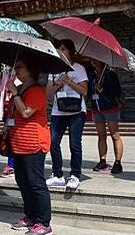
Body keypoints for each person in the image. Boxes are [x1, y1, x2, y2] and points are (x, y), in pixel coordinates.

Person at [6, 56, 53, 235]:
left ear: (30, 70)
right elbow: (14, 112)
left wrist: (15, 93)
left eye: (20, 67)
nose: (16, 70)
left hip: (34, 143)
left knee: (36, 182)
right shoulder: (19, 88)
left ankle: (44, 222)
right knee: (23, 181)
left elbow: (26, 112)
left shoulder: (36, 90)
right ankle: (31, 215)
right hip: (18, 142)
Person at [46, 39, 88, 190]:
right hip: (58, 111)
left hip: (76, 111)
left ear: (70, 51)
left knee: (74, 144)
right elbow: (47, 93)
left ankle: (75, 174)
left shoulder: (79, 68)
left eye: (63, 48)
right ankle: (57, 174)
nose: (60, 51)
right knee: (53, 141)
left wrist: (69, 81)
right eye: (59, 48)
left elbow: (84, 91)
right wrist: (58, 83)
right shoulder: (53, 70)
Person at [88, 58, 124, 174]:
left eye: (95, 60)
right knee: (101, 135)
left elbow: (117, 92)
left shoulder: (110, 74)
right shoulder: (92, 75)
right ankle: (102, 160)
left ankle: (118, 162)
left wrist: (102, 89)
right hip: (97, 107)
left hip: (110, 107)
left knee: (114, 135)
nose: (92, 61)